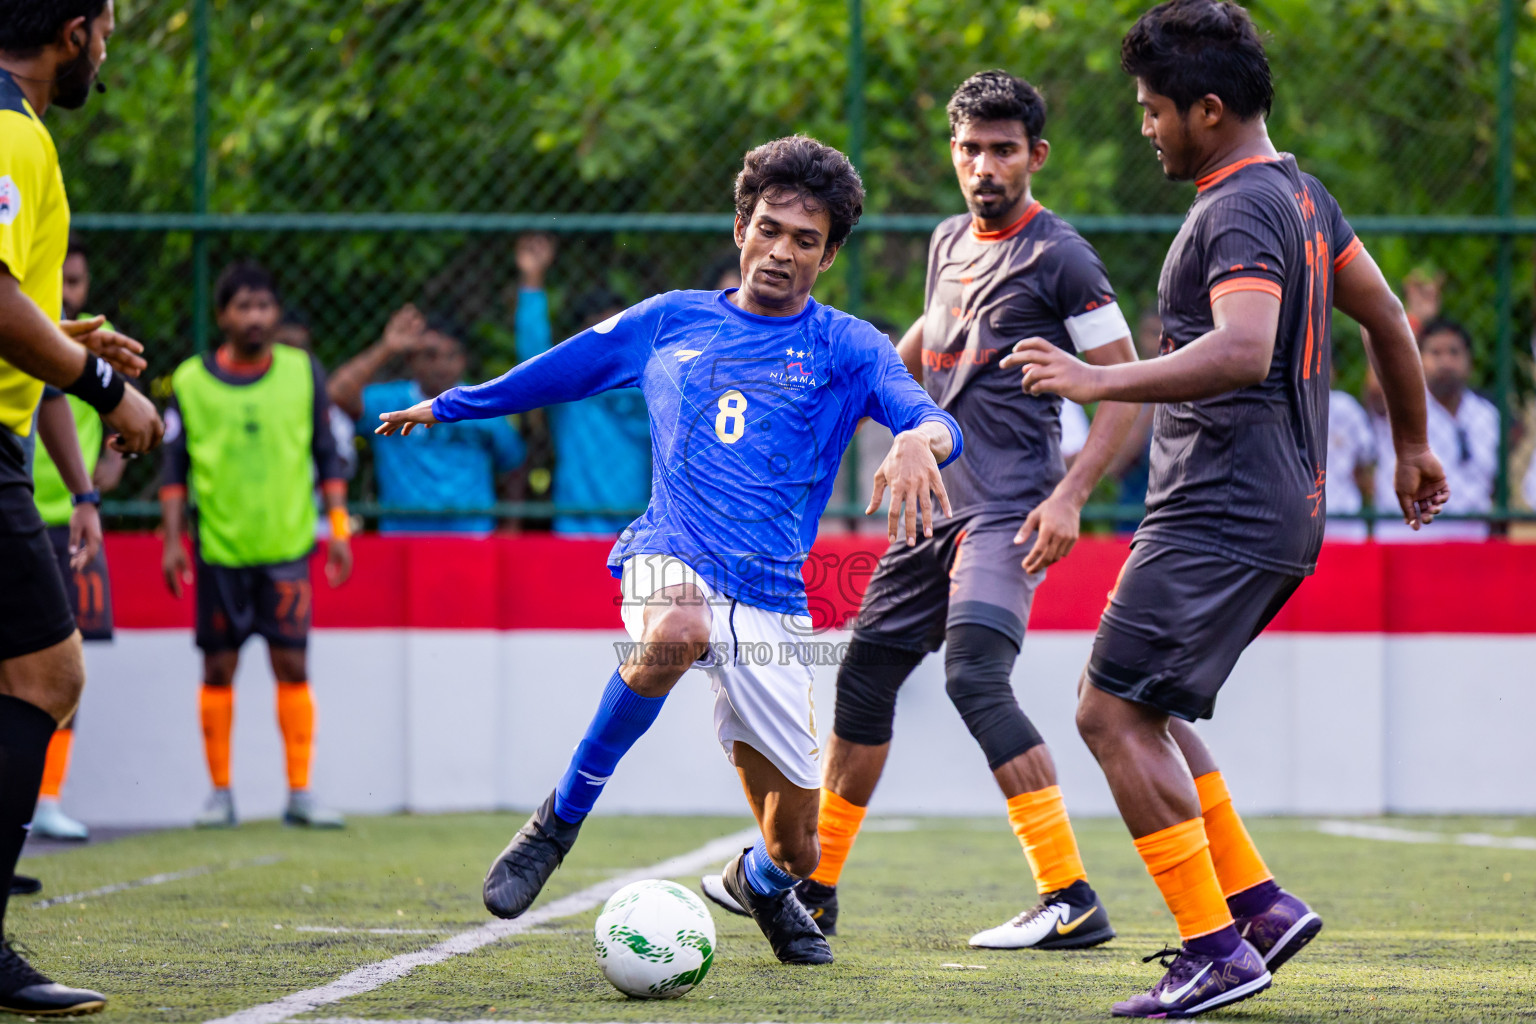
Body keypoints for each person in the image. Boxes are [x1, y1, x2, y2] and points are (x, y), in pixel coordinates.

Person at [377, 135, 962, 967]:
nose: (781, 251)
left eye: (805, 240)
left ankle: (758, 883)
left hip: (771, 600)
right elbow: (558, 371)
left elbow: (934, 419)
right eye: (769, 229)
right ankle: (558, 821)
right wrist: (451, 406)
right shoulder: (667, 321)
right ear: (740, 228)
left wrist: (915, 441)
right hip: (670, 552)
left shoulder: (848, 345)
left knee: (800, 848)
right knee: (680, 625)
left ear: (828, 256)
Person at [1003, 2, 1448, 1015]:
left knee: (1108, 714)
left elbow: (1245, 349)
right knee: (1141, 706)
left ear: (1208, 110)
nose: (1145, 126)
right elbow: (1385, 316)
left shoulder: (1240, 208)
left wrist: (1097, 379)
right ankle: (1258, 908)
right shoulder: (1304, 198)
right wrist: (1413, 446)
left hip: (1221, 508)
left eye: (1153, 109)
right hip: (1272, 508)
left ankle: (1216, 952)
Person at [704, 71, 1142, 951]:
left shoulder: (1063, 257)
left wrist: (1070, 496)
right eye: (971, 149)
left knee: (975, 675)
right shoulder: (948, 240)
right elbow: (914, 351)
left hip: (1009, 509)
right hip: (931, 511)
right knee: (865, 677)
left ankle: (1069, 895)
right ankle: (816, 887)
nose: (985, 166)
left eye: (1003, 150)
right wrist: (830, 395)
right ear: (954, 152)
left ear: (1035, 156)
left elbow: (1127, 387)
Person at [0, 0, 165, 1012]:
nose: (105, 52)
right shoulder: (12, 132)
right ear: (72, 33)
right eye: (104, 32)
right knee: (48, 672)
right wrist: (107, 388)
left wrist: (63, 341)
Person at [160, 261, 351, 830]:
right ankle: (220, 793)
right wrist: (172, 541)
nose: (255, 317)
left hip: (287, 548)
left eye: (264, 306)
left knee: (292, 663)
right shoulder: (190, 382)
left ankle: (300, 792)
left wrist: (339, 530)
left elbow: (327, 455)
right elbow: (173, 469)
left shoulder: (302, 371)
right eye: (243, 306)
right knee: (218, 667)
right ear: (222, 315)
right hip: (219, 550)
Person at [30, 235, 127, 842]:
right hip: (16, 511)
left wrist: (107, 471)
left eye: (76, 282)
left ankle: (47, 797)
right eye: (58, 280)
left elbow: (120, 417)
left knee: (66, 662)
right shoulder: (20, 328)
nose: (67, 293)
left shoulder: (98, 337)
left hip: (69, 520)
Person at [328, 305, 523, 534]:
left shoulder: (483, 402)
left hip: (472, 537)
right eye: (430, 355)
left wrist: (511, 527)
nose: (441, 365)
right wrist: (387, 347)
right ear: (412, 360)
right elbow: (336, 394)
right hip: (402, 538)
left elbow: (514, 464)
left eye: (451, 355)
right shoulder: (388, 401)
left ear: (463, 360)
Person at [512, 234, 650, 536]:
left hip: (639, 536)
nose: (611, 343)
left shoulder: (653, 384)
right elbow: (534, 361)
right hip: (576, 532)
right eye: (601, 333)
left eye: (619, 331)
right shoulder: (571, 389)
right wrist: (532, 279)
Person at [1369, 319, 1497, 541]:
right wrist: (1411, 321)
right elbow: (1377, 383)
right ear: (1417, 360)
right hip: (1407, 539)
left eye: (1454, 352)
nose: (1446, 361)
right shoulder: (1400, 405)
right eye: (1435, 353)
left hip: (1473, 541)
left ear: (1470, 362)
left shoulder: (1487, 415)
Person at [1324, 376, 1376, 541]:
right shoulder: (1347, 406)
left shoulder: (1346, 406)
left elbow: (1366, 459)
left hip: (1345, 514)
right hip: (1306, 516)